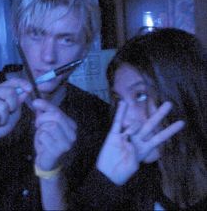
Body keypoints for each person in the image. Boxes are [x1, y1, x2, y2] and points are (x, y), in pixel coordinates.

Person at [0, 0, 111, 210]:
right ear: (17, 34)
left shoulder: (98, 119)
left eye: (66, 39)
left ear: (85, 48)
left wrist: (52, 174)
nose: (48, 57)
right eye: (36, 34)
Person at [88, 28, 207, 210]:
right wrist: (105, 182)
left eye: (141, 96)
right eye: (119, 100)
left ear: (183, 94)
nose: (125, 121)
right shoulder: (135, 177)